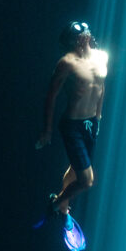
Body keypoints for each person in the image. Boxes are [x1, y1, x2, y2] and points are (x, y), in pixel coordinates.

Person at [36, 21, 108, 229]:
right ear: (74, 41)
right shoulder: (67, 63)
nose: (86, 34)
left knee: (76, 170)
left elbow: (101, 87)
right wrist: (47, 130)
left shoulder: (102, 56)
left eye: (86, 31)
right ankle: (56, 203)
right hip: (73, 126)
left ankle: (64, 205)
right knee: (87, 180)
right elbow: (51, 96)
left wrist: (99, 117)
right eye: (80, 34)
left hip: (91, 124)